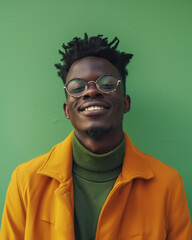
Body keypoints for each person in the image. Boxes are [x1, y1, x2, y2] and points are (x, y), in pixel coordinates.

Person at [0, 33, 191, 240]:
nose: (91, 92)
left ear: (126, 102)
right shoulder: (25, 181)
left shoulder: (167, 184)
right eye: (77, 87)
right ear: (66, 110)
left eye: (107, 84)